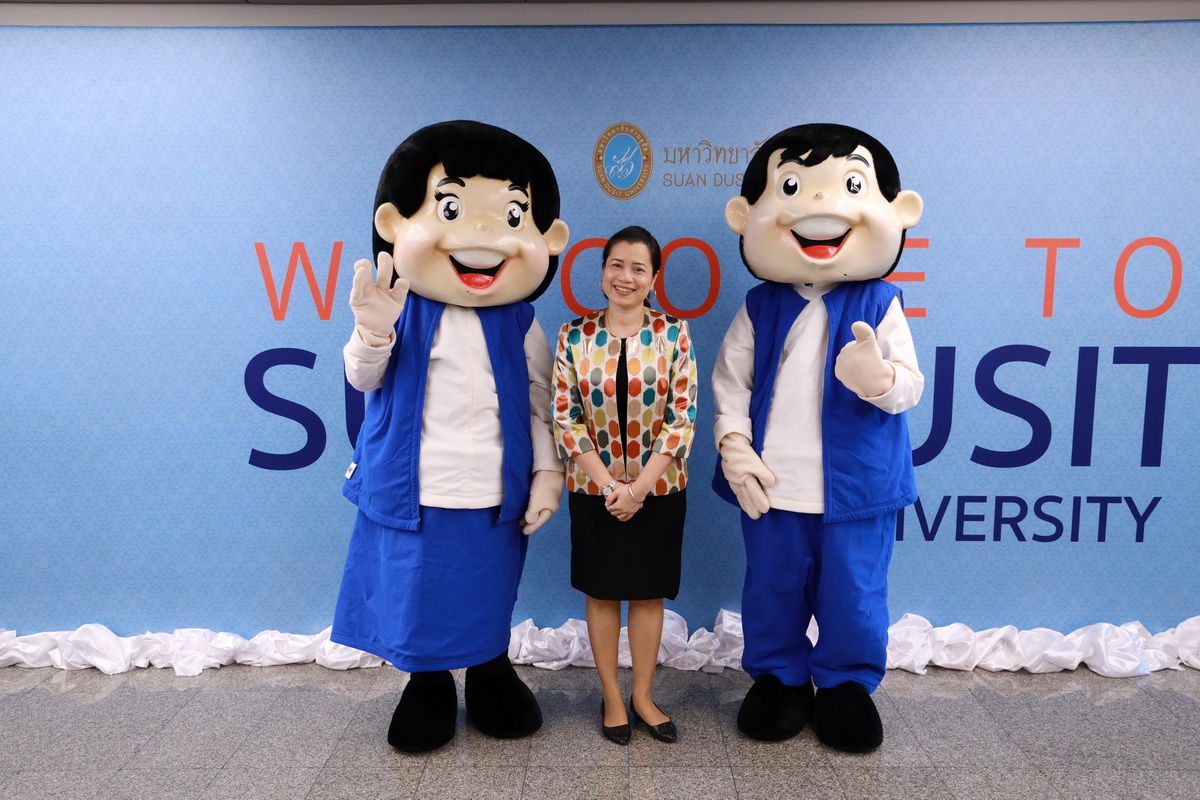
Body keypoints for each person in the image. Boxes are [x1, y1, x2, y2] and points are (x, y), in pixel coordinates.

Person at [332, 120, 569, 753]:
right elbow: (363, 376)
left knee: (488, 586)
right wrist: (373, 331)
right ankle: (428, 682)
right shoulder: (399, 306)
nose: (482, 235)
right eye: (453, 208)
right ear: (394, 223)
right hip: (418, 485)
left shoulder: (522, 322)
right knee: (419, 588)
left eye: (511, 215)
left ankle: (489, 669)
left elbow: (540, 401)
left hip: (494, 486)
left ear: (547, 237)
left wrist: (548, 472)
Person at [712, 123, 924, 752]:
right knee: (772, 586)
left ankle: (845, 685)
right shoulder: (760, 304)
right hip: (773, 483)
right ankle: (779, 677)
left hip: (858, 488)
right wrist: (733, 444)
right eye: (793, 188)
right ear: (747, 216)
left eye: (851, 187)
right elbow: (731, 380)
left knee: (854, 591)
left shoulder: (881, 302)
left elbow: (910, 385)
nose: (821, 208)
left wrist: (881, 378)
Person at [552, 225, 698, 745]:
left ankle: (643, 695)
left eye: (639, 268)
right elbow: (565, 417)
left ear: (653, 279)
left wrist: (638, 489)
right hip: (593, 490)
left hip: (659, 489)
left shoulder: (674, 334)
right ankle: (612, 696)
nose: (626, 277)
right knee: (602, 591)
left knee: (647, 592)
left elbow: (682, 417)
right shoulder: (573, 336)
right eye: (617, 265)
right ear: (602, 273)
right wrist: (609, 484)